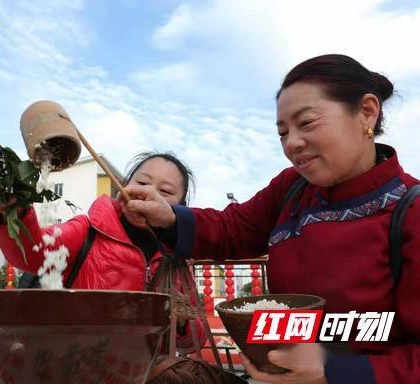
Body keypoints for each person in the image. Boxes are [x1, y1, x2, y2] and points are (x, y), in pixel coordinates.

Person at [122, 54, 420, 384]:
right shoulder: (291, 188)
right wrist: (170, 217)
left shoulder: (410, 211)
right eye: (282, 132)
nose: (292, 143)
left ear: (366, 111)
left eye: (306, 123)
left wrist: (335, 371)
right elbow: (233, 228)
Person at [0, 151, 206, 353]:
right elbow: (33, 253)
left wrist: (183, 323)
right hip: (75, 367)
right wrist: (10, 211)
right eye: (142, 183)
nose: (149, 193)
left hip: (141, 372)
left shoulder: (177, 260)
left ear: (180, 208)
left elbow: (194, 342)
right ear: (124, 184)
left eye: (165, 191)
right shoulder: (87, 230)